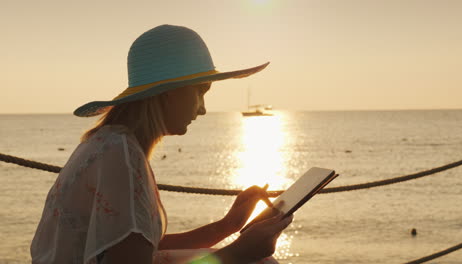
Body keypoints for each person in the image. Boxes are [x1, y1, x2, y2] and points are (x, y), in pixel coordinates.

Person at [31, 24, 293, 264]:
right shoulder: (119, 154)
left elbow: (139, 249)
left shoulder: (112, 143)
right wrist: (239, 253)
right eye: (200, 92)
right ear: (169, 92)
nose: (202, 109)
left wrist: (227, 226)